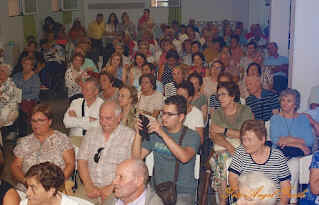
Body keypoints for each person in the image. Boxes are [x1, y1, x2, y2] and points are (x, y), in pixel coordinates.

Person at [132, 95, 201, 204]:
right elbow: (136, 159)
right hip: (157, 189)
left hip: (182, 191)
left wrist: (162, 133)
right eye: (163, 113)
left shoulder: (192, 136)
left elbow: (184, 157)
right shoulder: (155, 133)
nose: (164, 118)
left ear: (181, 117)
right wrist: (138, 133)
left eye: (169, 114)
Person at [76, 100, 135, 204]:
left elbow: (132, 168)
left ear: (119, 117)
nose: (103, 122)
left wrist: (112, 187)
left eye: (108, 118)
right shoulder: (91, 133)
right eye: (101, 118)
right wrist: (88, 185)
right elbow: (82, 161)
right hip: (89, 186)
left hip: (117, 188)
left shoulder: (129, 136)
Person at [11, 104, 75, 192]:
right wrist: (26, 181)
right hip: (27, 188)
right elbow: (15, 166)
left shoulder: (62, 139)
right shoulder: (24, 141)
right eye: (33, 121)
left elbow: (70, 164)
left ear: (49, 121)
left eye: (40, 120)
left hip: (54, 187)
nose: (36, 124)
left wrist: (55, 184)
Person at [209, 81, 254, 205]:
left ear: (232, 96)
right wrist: (229, 146)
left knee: (220, 161)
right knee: (221, 158)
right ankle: (227, 200)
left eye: (223, 94)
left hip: (244, 148)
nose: (220, 98)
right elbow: (214, 136)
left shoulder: (245, 111)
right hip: (224, 149)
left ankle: (224, 201)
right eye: (218, 95)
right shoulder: (217, 113)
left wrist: (224, 131)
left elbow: (249, 135)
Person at [228, 120, 291, 204]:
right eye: (243, 139)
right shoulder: (240, 152)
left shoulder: (277, 156)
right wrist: (244, 200)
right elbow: (232, 178)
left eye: (249, 140)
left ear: (262, 139)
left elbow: (285, 185)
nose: (245, 143)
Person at [270, 88, 315, 204]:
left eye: (288, 101)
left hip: (297, 155)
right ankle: (291, 200)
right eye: (283, 100)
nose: (284, 103)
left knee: (293, 163)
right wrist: (299, 144)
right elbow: (276, 140)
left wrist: (289, 139)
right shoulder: (275, 118)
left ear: (295, 104)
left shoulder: (303, 118)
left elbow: (309, 141)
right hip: (281, 153)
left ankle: (283, 199)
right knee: (293, 164)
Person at [0, 64, 21, 145]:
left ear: (7, 73)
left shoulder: (11, 84)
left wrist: (1, 94)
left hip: (9, 107)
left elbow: (8, 100)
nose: (0, 73)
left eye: (2, 71)